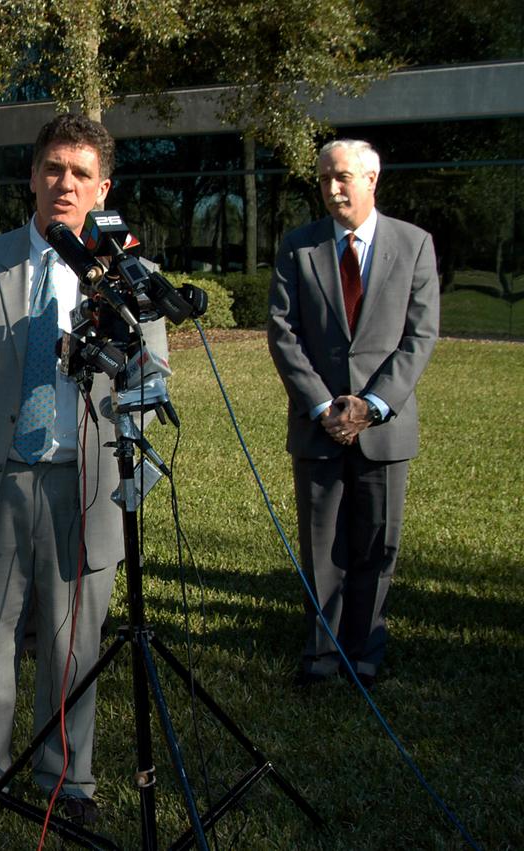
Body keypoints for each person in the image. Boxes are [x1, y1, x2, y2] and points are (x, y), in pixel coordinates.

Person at [0, 113, 162, 826]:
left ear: (103, 186)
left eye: (81, 173)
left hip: (84, 485)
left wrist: (111, 447)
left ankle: (69, 779)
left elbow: (153, 381)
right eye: (53, 168)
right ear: (31, 177)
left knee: (74, 646)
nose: (65, 183)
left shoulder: (132, 275)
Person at [268, 139, 439, 689]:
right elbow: (283, 334)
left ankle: (365, 648)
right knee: (322, 548)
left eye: (342, 177)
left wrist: (372, 405)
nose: (332, 188)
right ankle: (322, 655)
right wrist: (323, 405)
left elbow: (419, 336)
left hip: (384, 429)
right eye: (323, 180)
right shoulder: (299, 248)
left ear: (372, 178)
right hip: (317, 427)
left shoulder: (414, 246)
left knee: (374, 545)